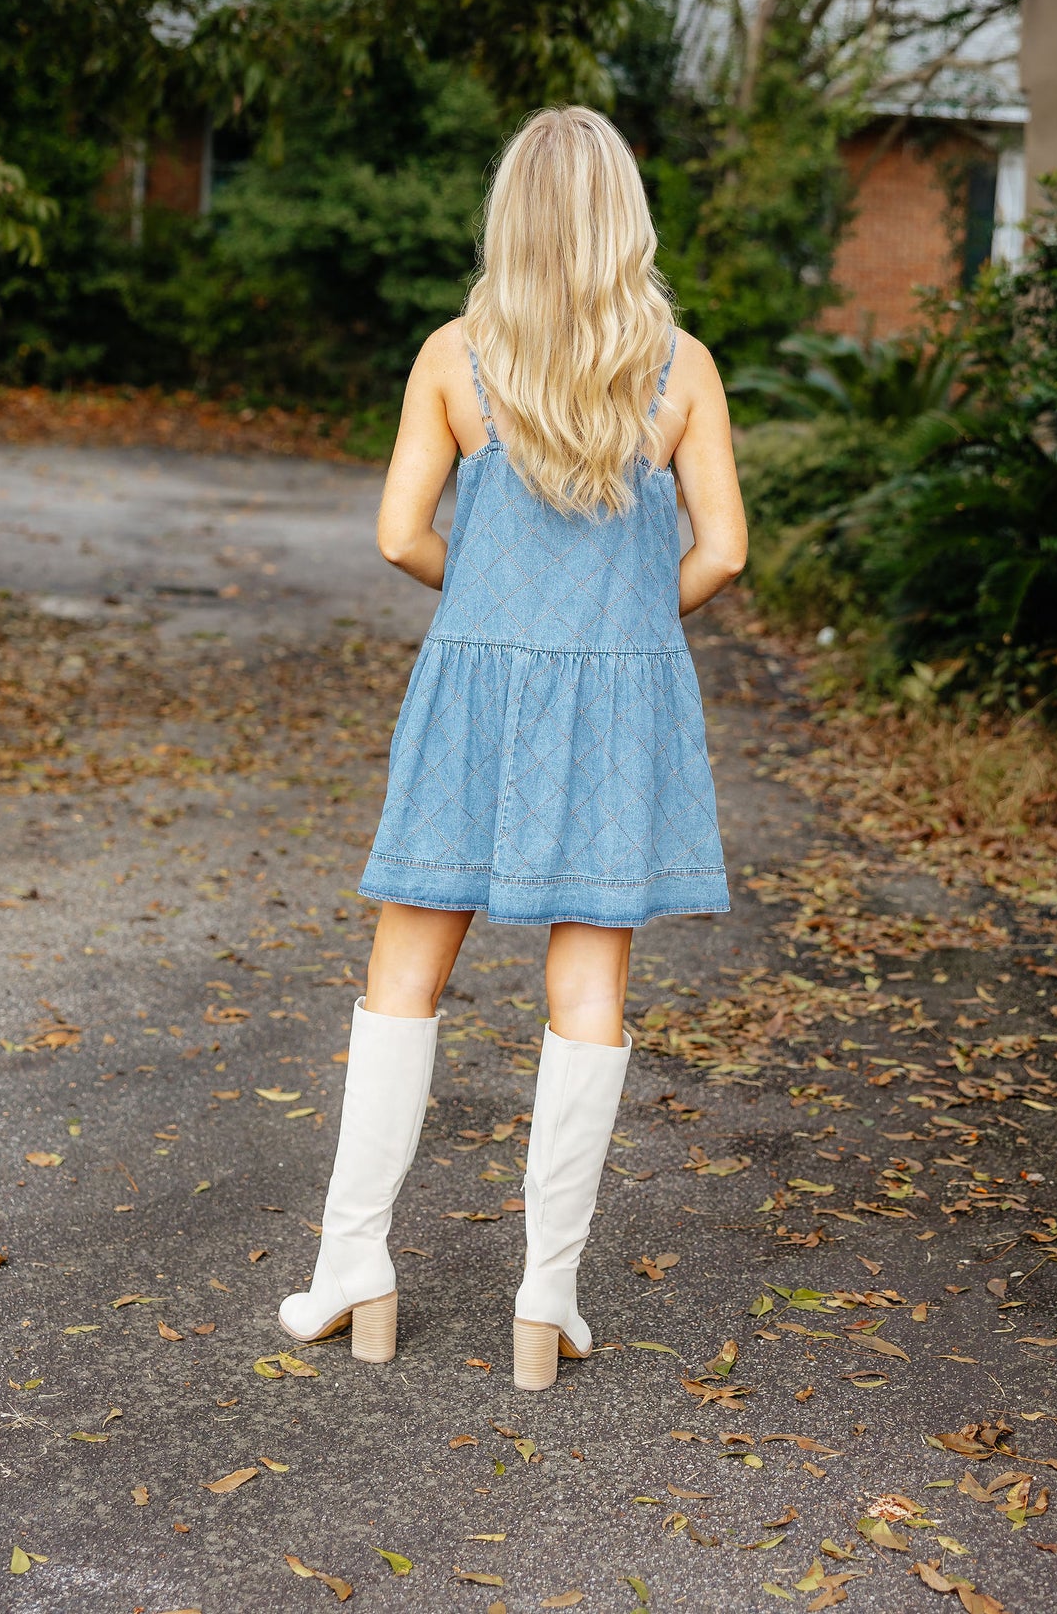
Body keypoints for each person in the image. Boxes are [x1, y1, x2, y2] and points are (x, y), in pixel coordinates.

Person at [277, 105, 747, 1390]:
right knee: (586, 995)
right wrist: (620, 627)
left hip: (469, 700)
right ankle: (545, 1297)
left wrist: (491, 604)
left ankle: (354, 1266)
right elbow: (722, 550)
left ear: (509, 219)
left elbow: (394, 534)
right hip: (618, 709)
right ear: (622, 219)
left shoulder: (453, 353)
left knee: (400, 980)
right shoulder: (681, 366)